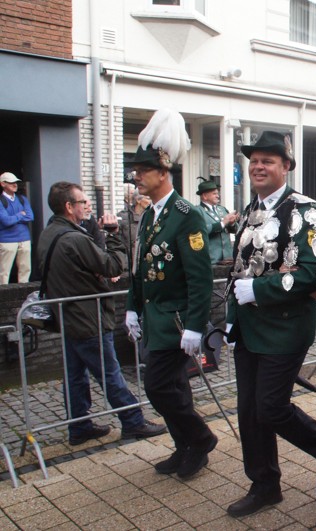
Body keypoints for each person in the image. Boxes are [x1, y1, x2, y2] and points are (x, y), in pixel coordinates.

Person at [226, 131, 316, 517]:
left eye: (267, 161)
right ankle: (264, 484)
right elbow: (239, 270)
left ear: (286, 166)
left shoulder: (305, 210)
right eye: (254, 160)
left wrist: (259, 289)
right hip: (248, 329)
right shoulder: (250, 210)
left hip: (286, 329)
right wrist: (230, 320)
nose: (258, 166)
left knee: (271, 407)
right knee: (249, 411)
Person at [124, 109, 217, 480]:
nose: (137, 177)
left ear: (163, 172)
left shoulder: (185, 214)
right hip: (155, 320)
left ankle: (201, 438)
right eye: (136, 171)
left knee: (157, 386)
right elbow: (139, 268)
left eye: (143, 171)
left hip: (177, 322)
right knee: (175, 387)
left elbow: (200, 276)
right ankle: (187, 448)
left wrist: (195, 325)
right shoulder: (150, 215)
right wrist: (132, 308)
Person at [38, 182, 166, 446]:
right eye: (83, 202)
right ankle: (133, 421)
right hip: (88, 318)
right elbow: (113, 266)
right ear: (69, 207)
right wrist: (114, 235)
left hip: (68, 317)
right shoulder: (74, 239)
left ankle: (79, 427)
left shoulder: (49, 233)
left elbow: (80, 268)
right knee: (109, 373)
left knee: (75, 376)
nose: (87, 206)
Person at [0, 171, 33, 284]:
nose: (15, 185)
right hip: (7, 241)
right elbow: (6, 221)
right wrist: (20, 215)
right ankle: (3, 294)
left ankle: (24, 292)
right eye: (11, 182)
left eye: (16, 182)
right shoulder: (1, 201)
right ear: (3, 184)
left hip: (24, 239)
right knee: (4, 272)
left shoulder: (22, 199)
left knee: (25, 269)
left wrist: (14, 218)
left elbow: (30, 216)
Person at [196, 179, 238, 264]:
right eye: (214, 194)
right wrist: (223, 223)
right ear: (204, 196)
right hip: (211, 260)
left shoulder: (222, 209)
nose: (218, 196)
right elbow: (200, 231)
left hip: (228, 259)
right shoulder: (197, 211)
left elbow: (237, 230)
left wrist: (232, 223)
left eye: (217, 193)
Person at [119, 190, 151, 264]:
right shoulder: (123, 217)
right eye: (148, 198)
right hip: (126, 264)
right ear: (138, 200)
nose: (151, 202)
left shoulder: (150, 217)